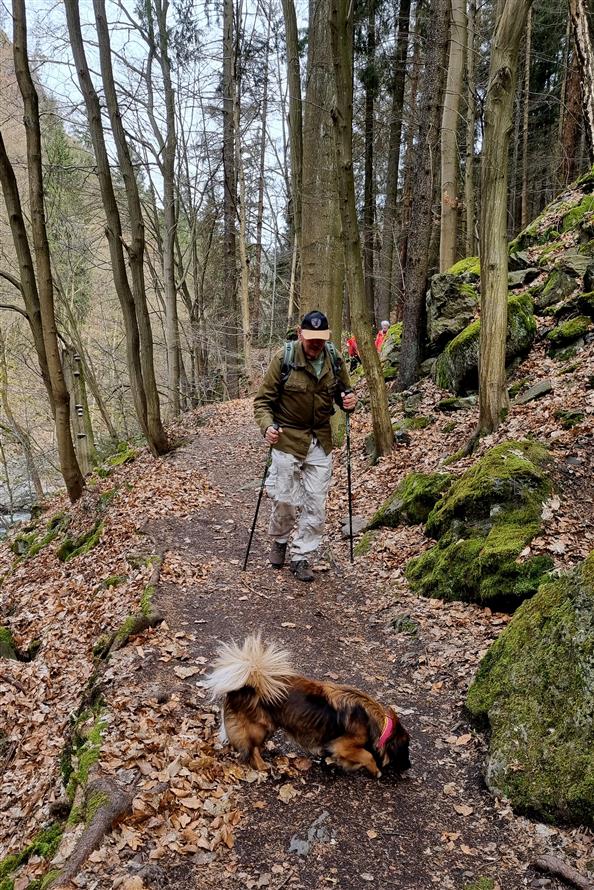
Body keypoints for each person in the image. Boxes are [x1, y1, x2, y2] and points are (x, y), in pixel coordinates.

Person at [254, 310, 357, 582]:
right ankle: (280, 540)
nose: (315, 344)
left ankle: (302, 556)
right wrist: (267, 427)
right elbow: (262, 402)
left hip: (320, 440)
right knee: (285, 499)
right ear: (300, 334)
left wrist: (349, 401)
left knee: (316, 504)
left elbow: (344, 392)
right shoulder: (284, 358)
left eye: (320, 339)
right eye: (310, 339)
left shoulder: (334, 359)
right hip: (287, 437)